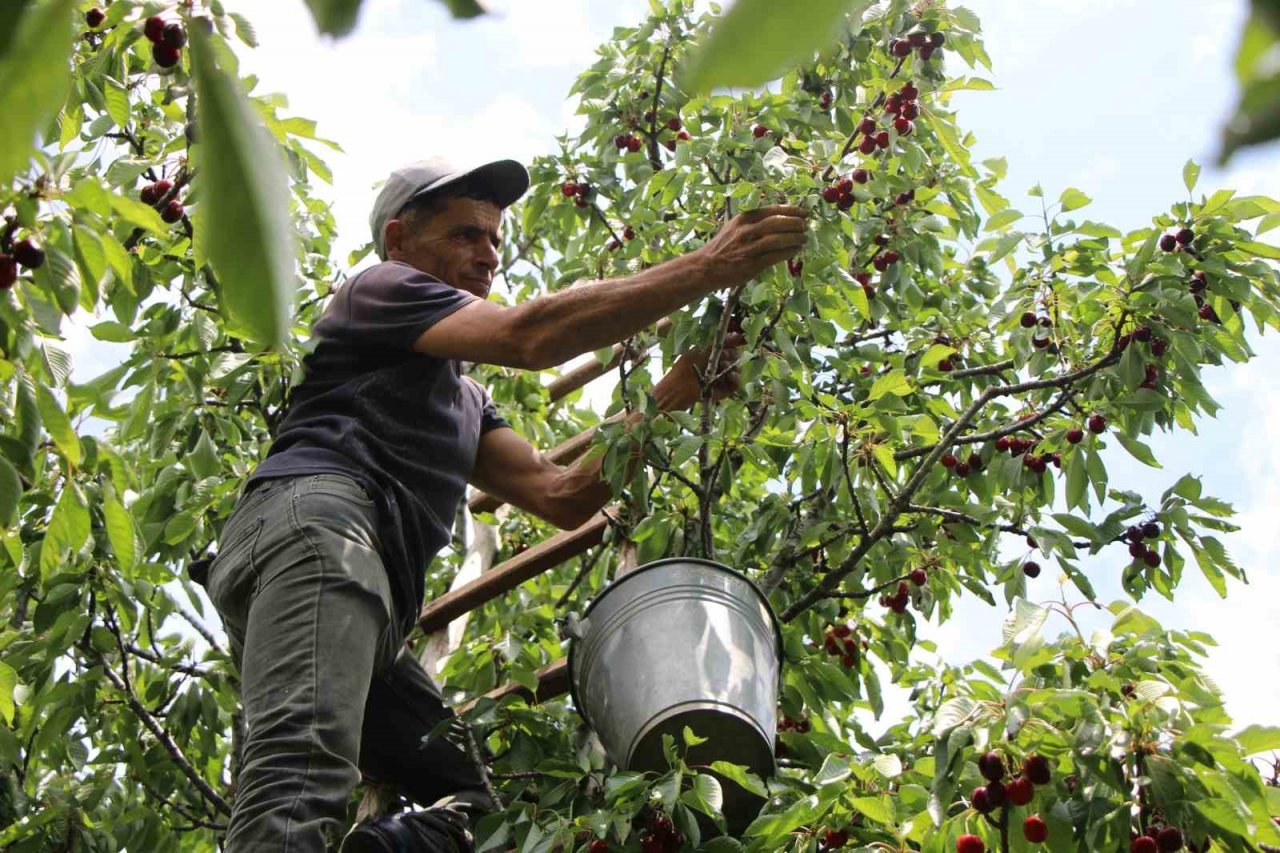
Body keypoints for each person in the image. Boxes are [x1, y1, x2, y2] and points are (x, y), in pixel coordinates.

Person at [200, 157, 808, 852]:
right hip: (319, 532)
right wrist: (708, 266)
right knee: (301, 774)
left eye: (494, 238)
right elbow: (530, 336)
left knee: (486, 811)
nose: (487, 253)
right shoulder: (380, 289)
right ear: (399, 240)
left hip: (366, 599)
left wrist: (675, 391)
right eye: (465, 234)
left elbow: (563, 495)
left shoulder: (462, 397)